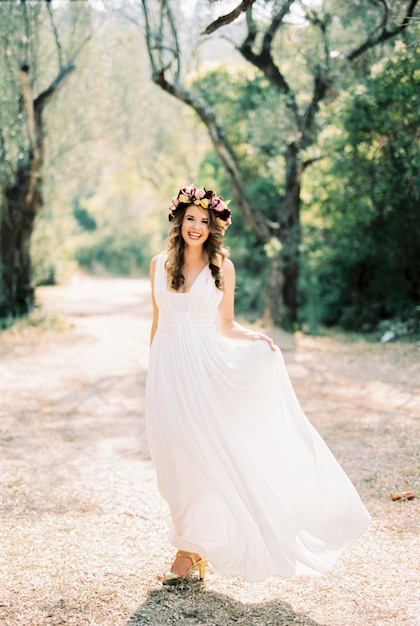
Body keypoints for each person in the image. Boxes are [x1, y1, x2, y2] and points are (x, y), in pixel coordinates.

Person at [145, 185, 370, 585]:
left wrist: (255, 339)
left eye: (204, 221)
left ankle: (189, 550)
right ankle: (193, 544)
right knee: (171, 463)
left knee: (204, 456)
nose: (196, 227)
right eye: (190, 219)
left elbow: (225, 325)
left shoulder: (221, 268)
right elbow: (157, 322)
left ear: (213, 227)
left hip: (205, 371)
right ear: (179, 222)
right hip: (166, 373)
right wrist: (151, 373)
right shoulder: (158, 264)